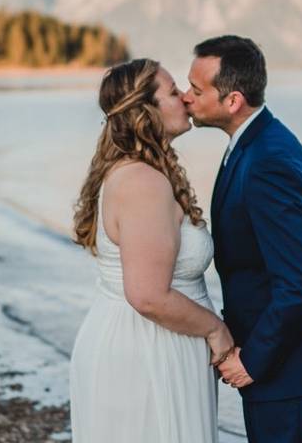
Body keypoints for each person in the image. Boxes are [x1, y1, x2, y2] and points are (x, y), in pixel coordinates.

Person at [184, 35, 302, 443]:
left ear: (233, 100)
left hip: (287, 368)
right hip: (279, 364)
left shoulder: (267, 163)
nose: (187, 97)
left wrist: (253, 360)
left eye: (197, 89)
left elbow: (301, 281)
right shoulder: (251, 147)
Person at [69, 58, 232, 443]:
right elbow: (147, 295)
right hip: (146, 350)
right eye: (174, 92)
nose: (186, 100)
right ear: (146, 111)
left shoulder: (142, 172)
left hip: (151, 342)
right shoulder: (142, 182)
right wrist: (216, 329)